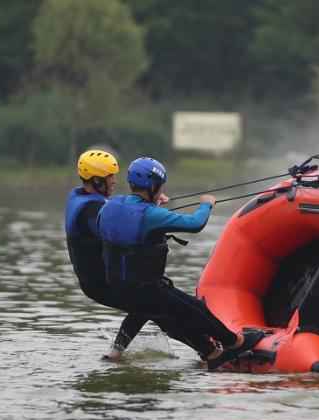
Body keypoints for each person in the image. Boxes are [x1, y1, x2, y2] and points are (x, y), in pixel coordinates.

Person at [97, 156, 264, 369]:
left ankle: (115, 353)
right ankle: (235, 342)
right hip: (147, 288)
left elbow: (129, 221)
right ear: (154, 185)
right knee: (193, 308)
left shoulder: (109, 206)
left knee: (156, 311)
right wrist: (206, 205)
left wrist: (154, 205)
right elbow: (195, 224)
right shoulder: (151, 215)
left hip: (118, 286)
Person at [65, 148, 159, 359]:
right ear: (97, 181)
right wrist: (150, 211)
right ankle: (207, 350)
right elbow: (120, 230)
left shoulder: (80, 196)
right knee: (155, 301)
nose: (114, 182)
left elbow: (115, 211)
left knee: (150, 301)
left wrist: (147, 206)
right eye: (110, 178)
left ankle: (115, 353)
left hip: (95, 281)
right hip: (102, 283)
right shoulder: (90, 210)